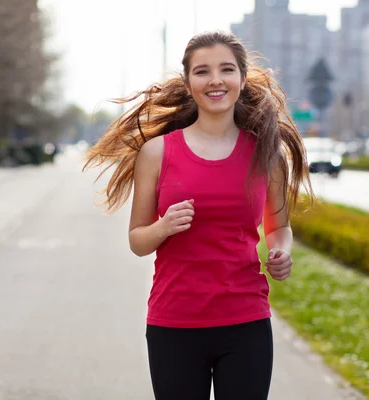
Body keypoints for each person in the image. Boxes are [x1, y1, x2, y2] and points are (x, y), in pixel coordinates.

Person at [84, 31, 313, 400]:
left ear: (241, 78)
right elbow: (137, 241)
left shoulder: (266, 154)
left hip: (246, 320)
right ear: (189, 82)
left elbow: (279, 226)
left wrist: (282, 251)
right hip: (175, 321)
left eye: (226, 69)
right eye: (202, 71)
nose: (215, 80)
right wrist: (163, 227)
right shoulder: (157, 153)